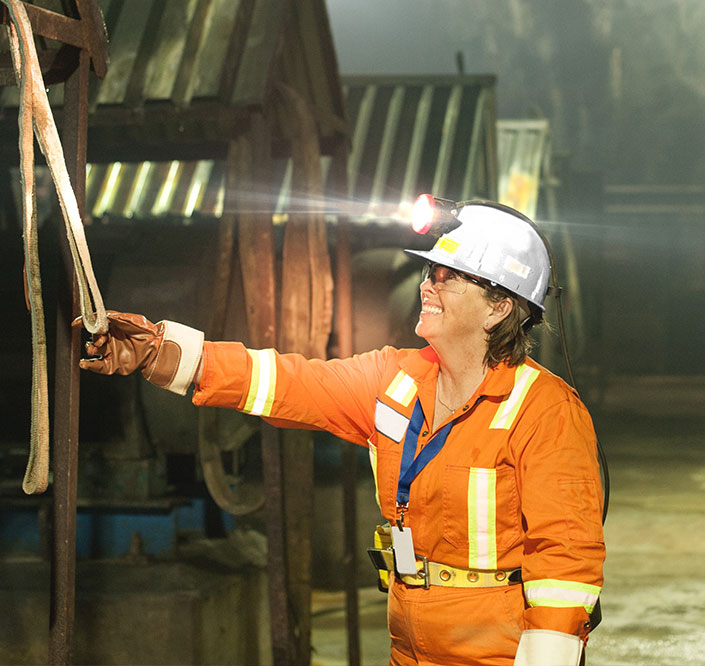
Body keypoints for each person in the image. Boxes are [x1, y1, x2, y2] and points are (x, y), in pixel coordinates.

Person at [77, 199, 605, 666]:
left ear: (499, 306)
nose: (427, 285)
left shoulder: (546, 411)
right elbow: (288, 381)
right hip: (410, 650)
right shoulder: (395, 381)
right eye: (428, 272)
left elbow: (565, 567)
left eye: (448, 276)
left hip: (495, 655)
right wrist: (159, 351)